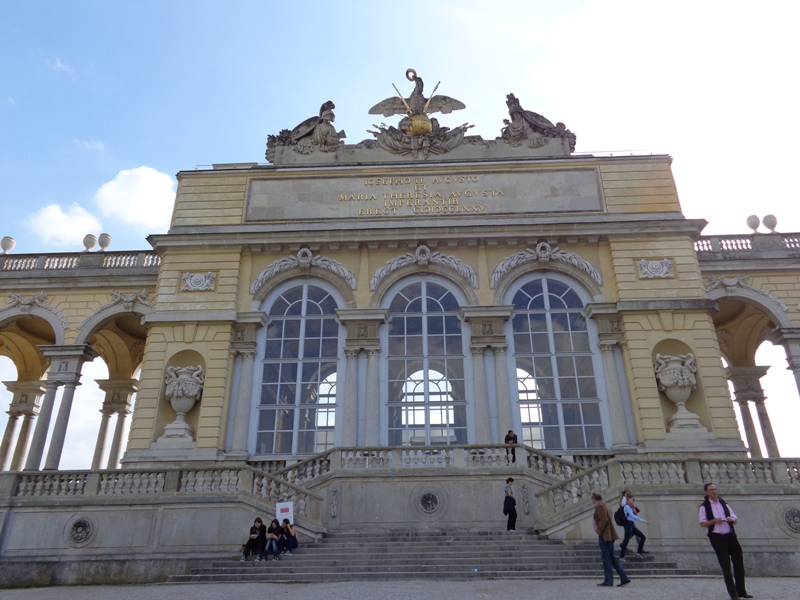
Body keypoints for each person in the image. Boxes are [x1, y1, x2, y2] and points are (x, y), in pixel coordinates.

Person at [699, 483, 752, 600]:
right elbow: (702, 523)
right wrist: (714, 521)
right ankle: (733, 594)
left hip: (730, 535)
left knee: (739, 563)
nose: (714, 491)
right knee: (726, 566)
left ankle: (741, 591)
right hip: (717, 537)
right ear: (706, 492)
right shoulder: (704, 506)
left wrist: (731, 519)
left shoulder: (724, 503)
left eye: (715, 489)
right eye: (711, 490)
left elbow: (734, 518)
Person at [591, 492, 630, 587]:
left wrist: (599, 530)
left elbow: (604, 520)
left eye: (592, 498)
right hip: (609, 534)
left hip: (605, 535)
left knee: (606, 557)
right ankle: (624, 578)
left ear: (594, 498)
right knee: (611, 557)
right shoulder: (605, 505)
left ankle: (608, 580)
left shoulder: (599, 506)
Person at [619, 491, 648, 561]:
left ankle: (639, 552)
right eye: (633, 499)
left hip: (631, 524)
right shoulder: (626, 506)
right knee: (626, 541)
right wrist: (643, 520)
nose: (633, 501)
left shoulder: (630, 506)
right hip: (628, 524)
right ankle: (622, 557)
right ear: (628, 499)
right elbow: (632, 516)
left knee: (642, 537)